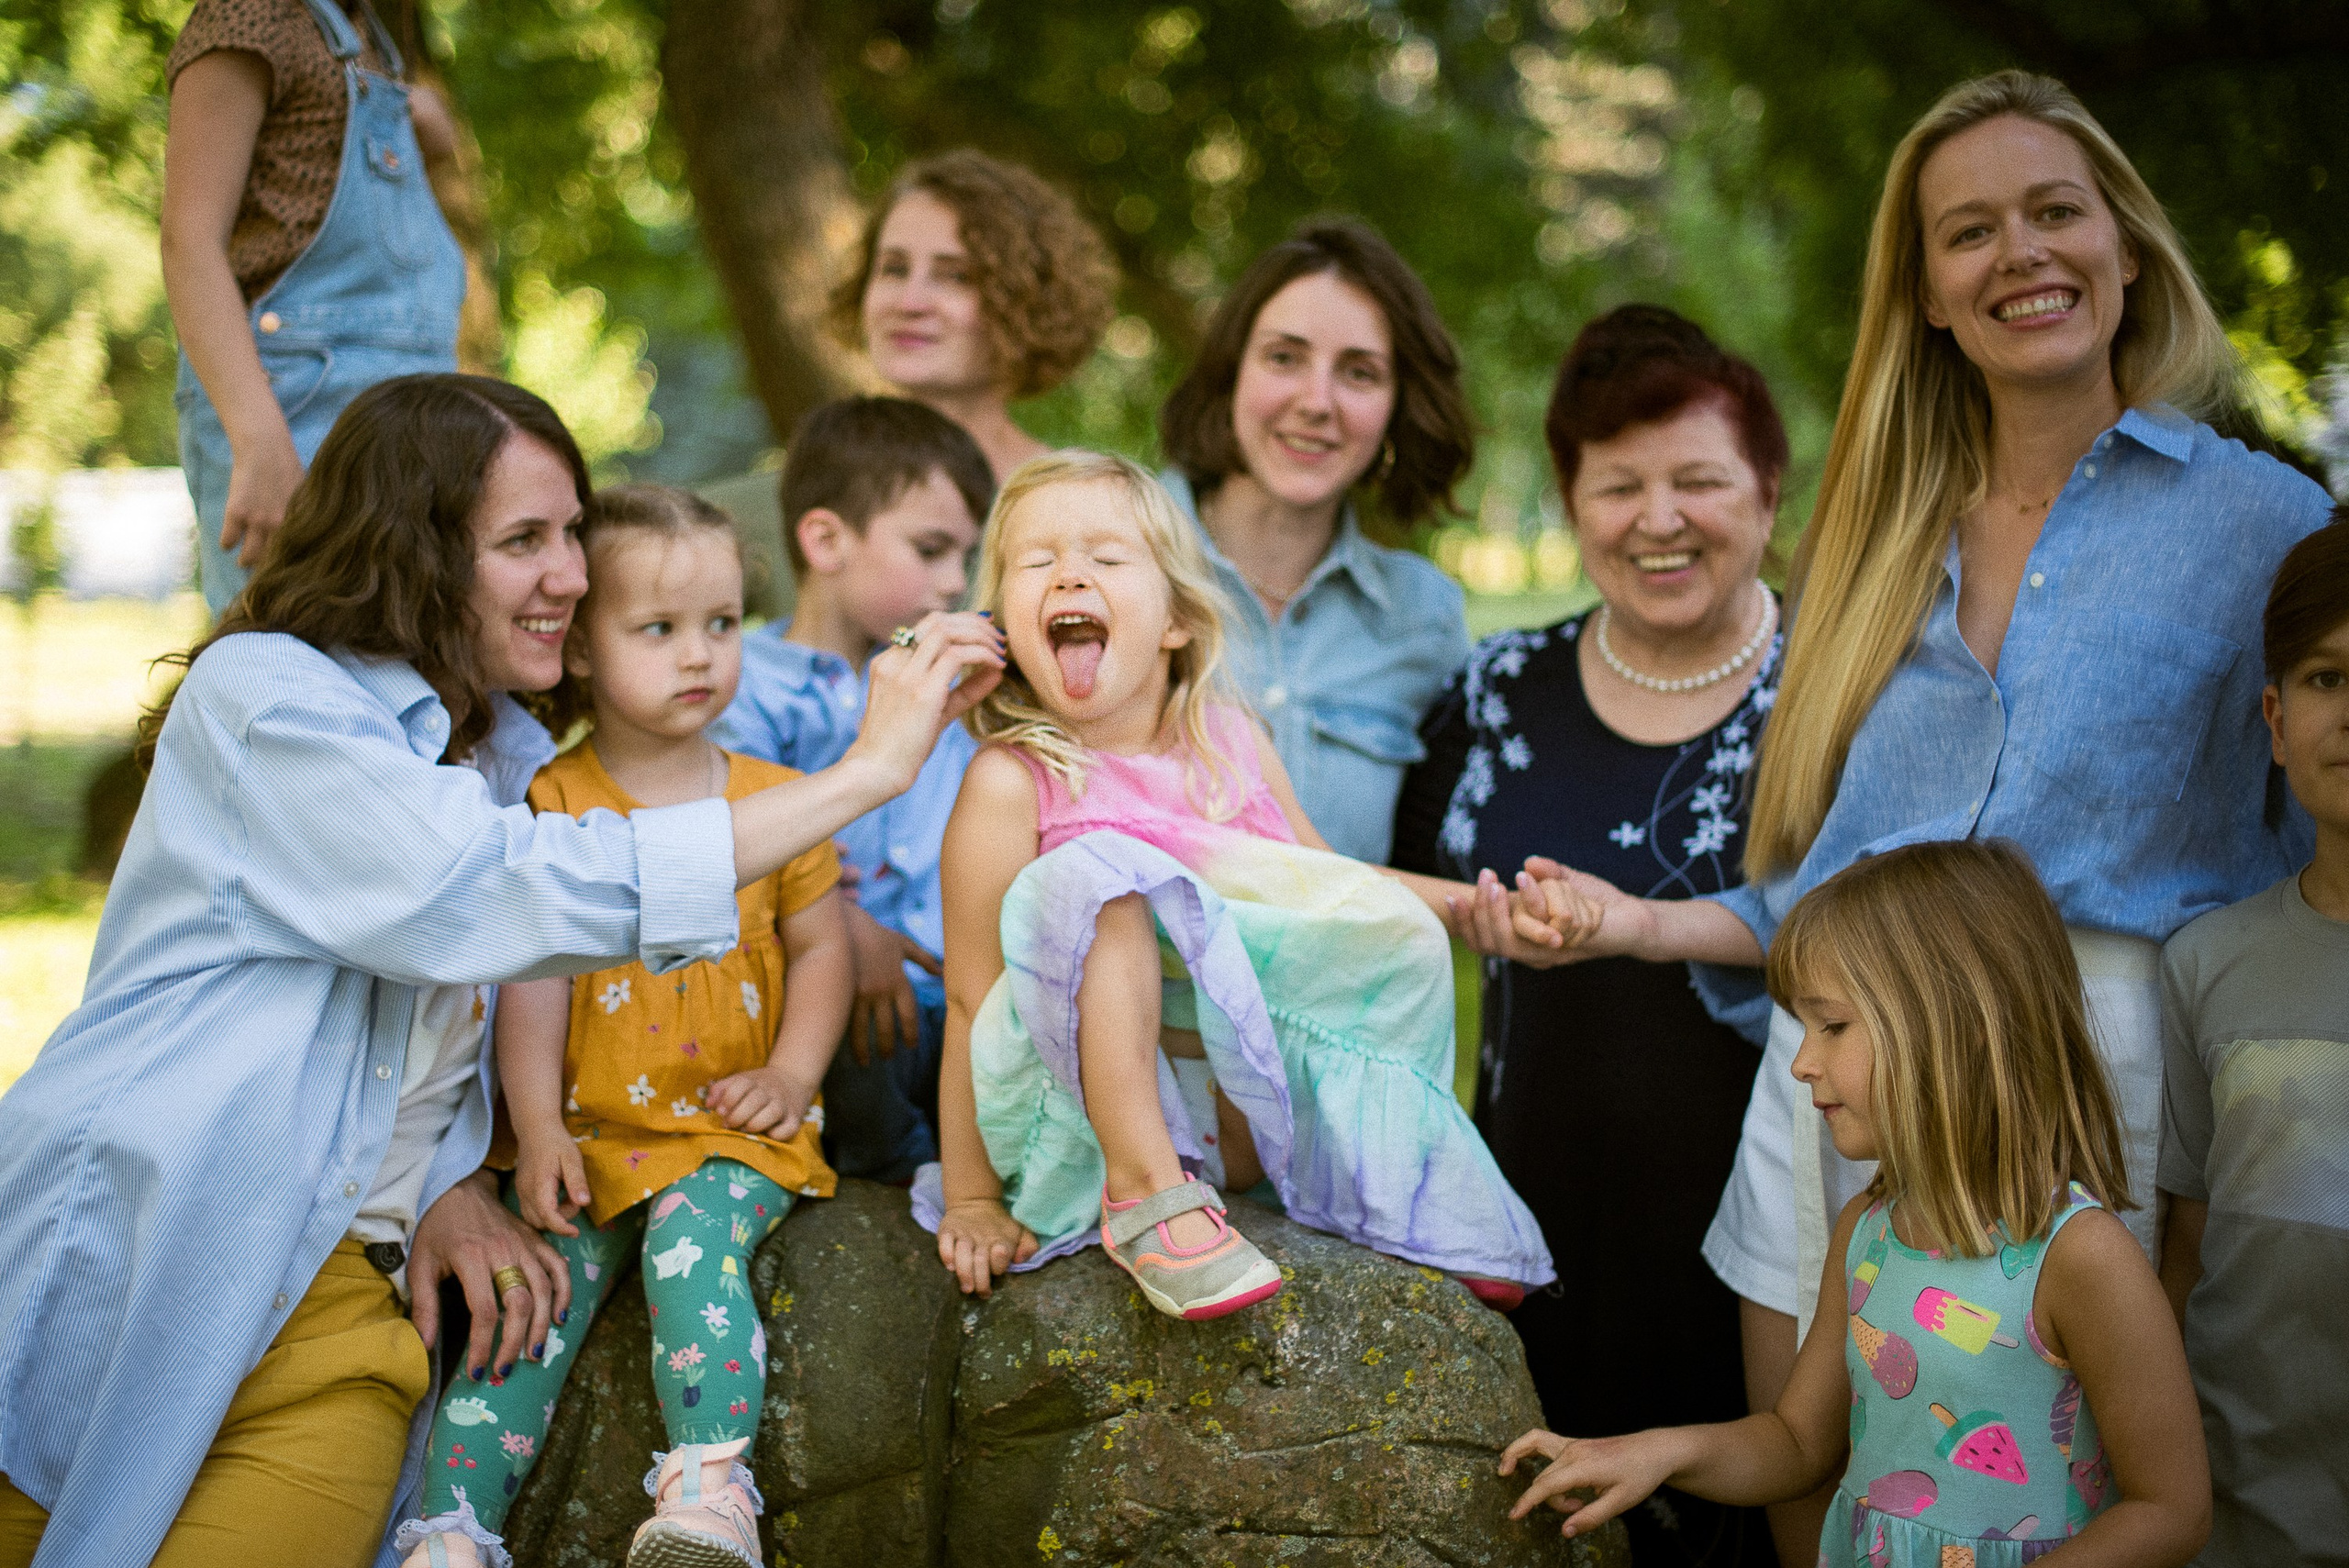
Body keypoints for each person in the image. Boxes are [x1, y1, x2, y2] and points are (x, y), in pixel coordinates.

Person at [1457, 70, 2334, 1562]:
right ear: (1925, 289)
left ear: (2126, 245)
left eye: (2056, 212)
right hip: (1839, 1050)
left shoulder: (2261, 520)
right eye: (1970, 230)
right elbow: (1820, 863)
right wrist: (1629, 921)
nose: (2020, 254)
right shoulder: (1879, 519)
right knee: (1828, 1479)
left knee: (2096, 1487)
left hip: (2089, 1065)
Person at [0, 374, 1002, 1568]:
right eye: (525, 540)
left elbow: (423, 1045)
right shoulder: (270, 700)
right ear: (414, 549)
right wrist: (865, 775)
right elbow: (475, 895)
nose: (574, 574)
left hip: (345, 1331)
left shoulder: (512, 751)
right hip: (133, 1267)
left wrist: (447, 1182)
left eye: (574, 532)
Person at [916, 450, 1553, 1319]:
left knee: (1387, 930)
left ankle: (1397, 1187)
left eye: (1105, 558)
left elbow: (1326, 883)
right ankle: (1144, 1194)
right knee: (1109, 879)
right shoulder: (1011, 779)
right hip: (1078, 1126)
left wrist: (1470, 910)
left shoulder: (1228, 742)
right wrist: (973, 1198)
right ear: (1004, 628)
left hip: (1233, 1112)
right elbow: (970, 997)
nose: (1069, 574)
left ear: (1177, 618)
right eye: (1036, 562)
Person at [1501, 840, 2211, 1568]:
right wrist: (1652, 1452)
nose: (1801, 1061)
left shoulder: (2079, 1255)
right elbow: (1799, 1443)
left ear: (1952, 1024)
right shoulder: (1868, 1231)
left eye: (1832, 1025)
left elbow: (2171, 1509)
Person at [390, 485, 855, 1568]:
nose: (700, 654)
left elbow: (824, 948)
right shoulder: (552, 798)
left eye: (724, 623)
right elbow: (532, 981)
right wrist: (540, 1128)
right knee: (525, 1301)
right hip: (589, 1133)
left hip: (726, 1127)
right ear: (585, 648)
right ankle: (454, 1527)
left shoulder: (770, 798)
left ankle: (706, 1490)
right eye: (658, 628)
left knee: (695, 1255)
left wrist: (791, 1073)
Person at [1392, 303, 1785, 1568]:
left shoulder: (1840, 692)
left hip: (1772, 1233)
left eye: (1698, 480)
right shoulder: (1498, 688)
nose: (1657, 518)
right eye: (1618, 485)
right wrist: (1473, 915)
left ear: (1768, 489)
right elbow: (1395, 890)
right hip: (1532, 1224)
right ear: (1571, 499)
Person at [715, 397, 996, 1184]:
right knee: (850, 1029)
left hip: (957, 1006)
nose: (953, 583)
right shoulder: (740, 687)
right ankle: (896, 1181)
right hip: (832, 1018)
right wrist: (844, 928)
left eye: (963, 556)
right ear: (826, 538)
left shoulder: (953, 680)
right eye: (931, 548)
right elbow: (725, 852)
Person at [1157, 217, 1474, 862]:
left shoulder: (1424, 618)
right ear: (1231, 372)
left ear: (1397, 407)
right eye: (1284, 357)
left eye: (1359, 373)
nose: (1317, 401)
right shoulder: (1107, 553)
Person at [2155, 514, 2349, 1565]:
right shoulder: (2205, 963)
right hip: (2245, 1513)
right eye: (2326, 677)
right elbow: (2187, 1254)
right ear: (2274, 719)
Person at [162, 0, 465, 613]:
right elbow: (188, 242)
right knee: (288, 664)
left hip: (409, 414)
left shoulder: (368, 37)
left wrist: (420, 125)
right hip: (292, 408)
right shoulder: (250, 17)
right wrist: (258, 439)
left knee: (414, 659)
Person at [830, 148, 1119, 483]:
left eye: (957, 276)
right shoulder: (798, 494)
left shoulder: (1076, 503)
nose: (909, 303)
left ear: (1026, 304)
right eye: (894, 269)